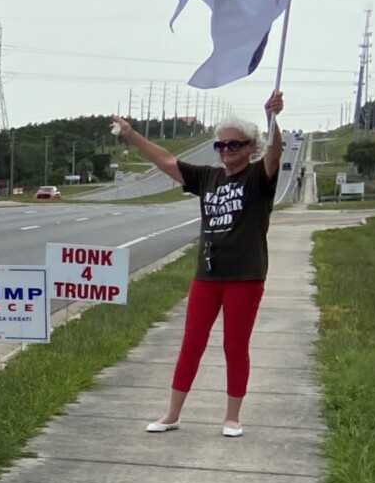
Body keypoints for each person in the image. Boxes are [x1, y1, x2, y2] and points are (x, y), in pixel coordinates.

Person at [111, 90, 284, 437]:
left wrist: (272, 119)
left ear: (251, 147)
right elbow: (167, 162)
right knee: (191, 343)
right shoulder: (208, 178)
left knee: (235, 347)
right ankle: (172, 414)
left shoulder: (257, 179)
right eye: (221, 146)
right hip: (207, 275)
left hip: (245, 276)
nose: (226, 151)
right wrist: (131, 135)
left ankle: (232, 417)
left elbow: (275, 154)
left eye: (234, 145)